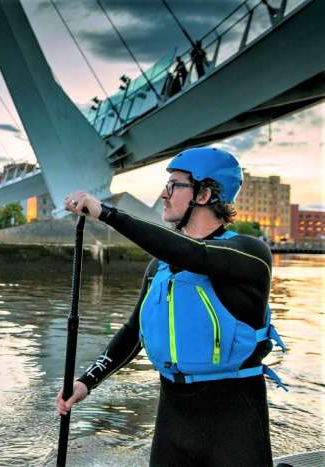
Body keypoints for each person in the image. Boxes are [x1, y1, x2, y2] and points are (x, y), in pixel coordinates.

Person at [57, 147, 286, 466]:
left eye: (174, 185)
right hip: (173, 422)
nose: (164, 194)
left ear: (204, 194)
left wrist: (107, 213)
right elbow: (133, 333)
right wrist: (86, 381)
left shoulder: (249, 253)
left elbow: (194, 255)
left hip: (233, 423)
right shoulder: (159, 268)